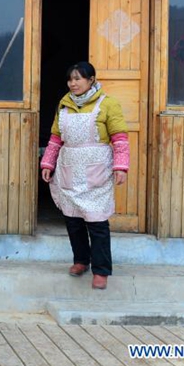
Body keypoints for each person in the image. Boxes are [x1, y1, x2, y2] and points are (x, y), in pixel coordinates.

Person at [39, 62, 129, 290]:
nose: (73, 83)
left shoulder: (108, 104)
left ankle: (101, 270)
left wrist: (121, 167)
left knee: (97, 222)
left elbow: (119, 138)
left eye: (78, 78)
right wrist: (48, 162)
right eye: (70, 79)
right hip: (69, 166)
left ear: (91, 80)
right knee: (73, 220)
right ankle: (80, 260)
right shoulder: (64, 104)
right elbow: (55, 137)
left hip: (96, 169)